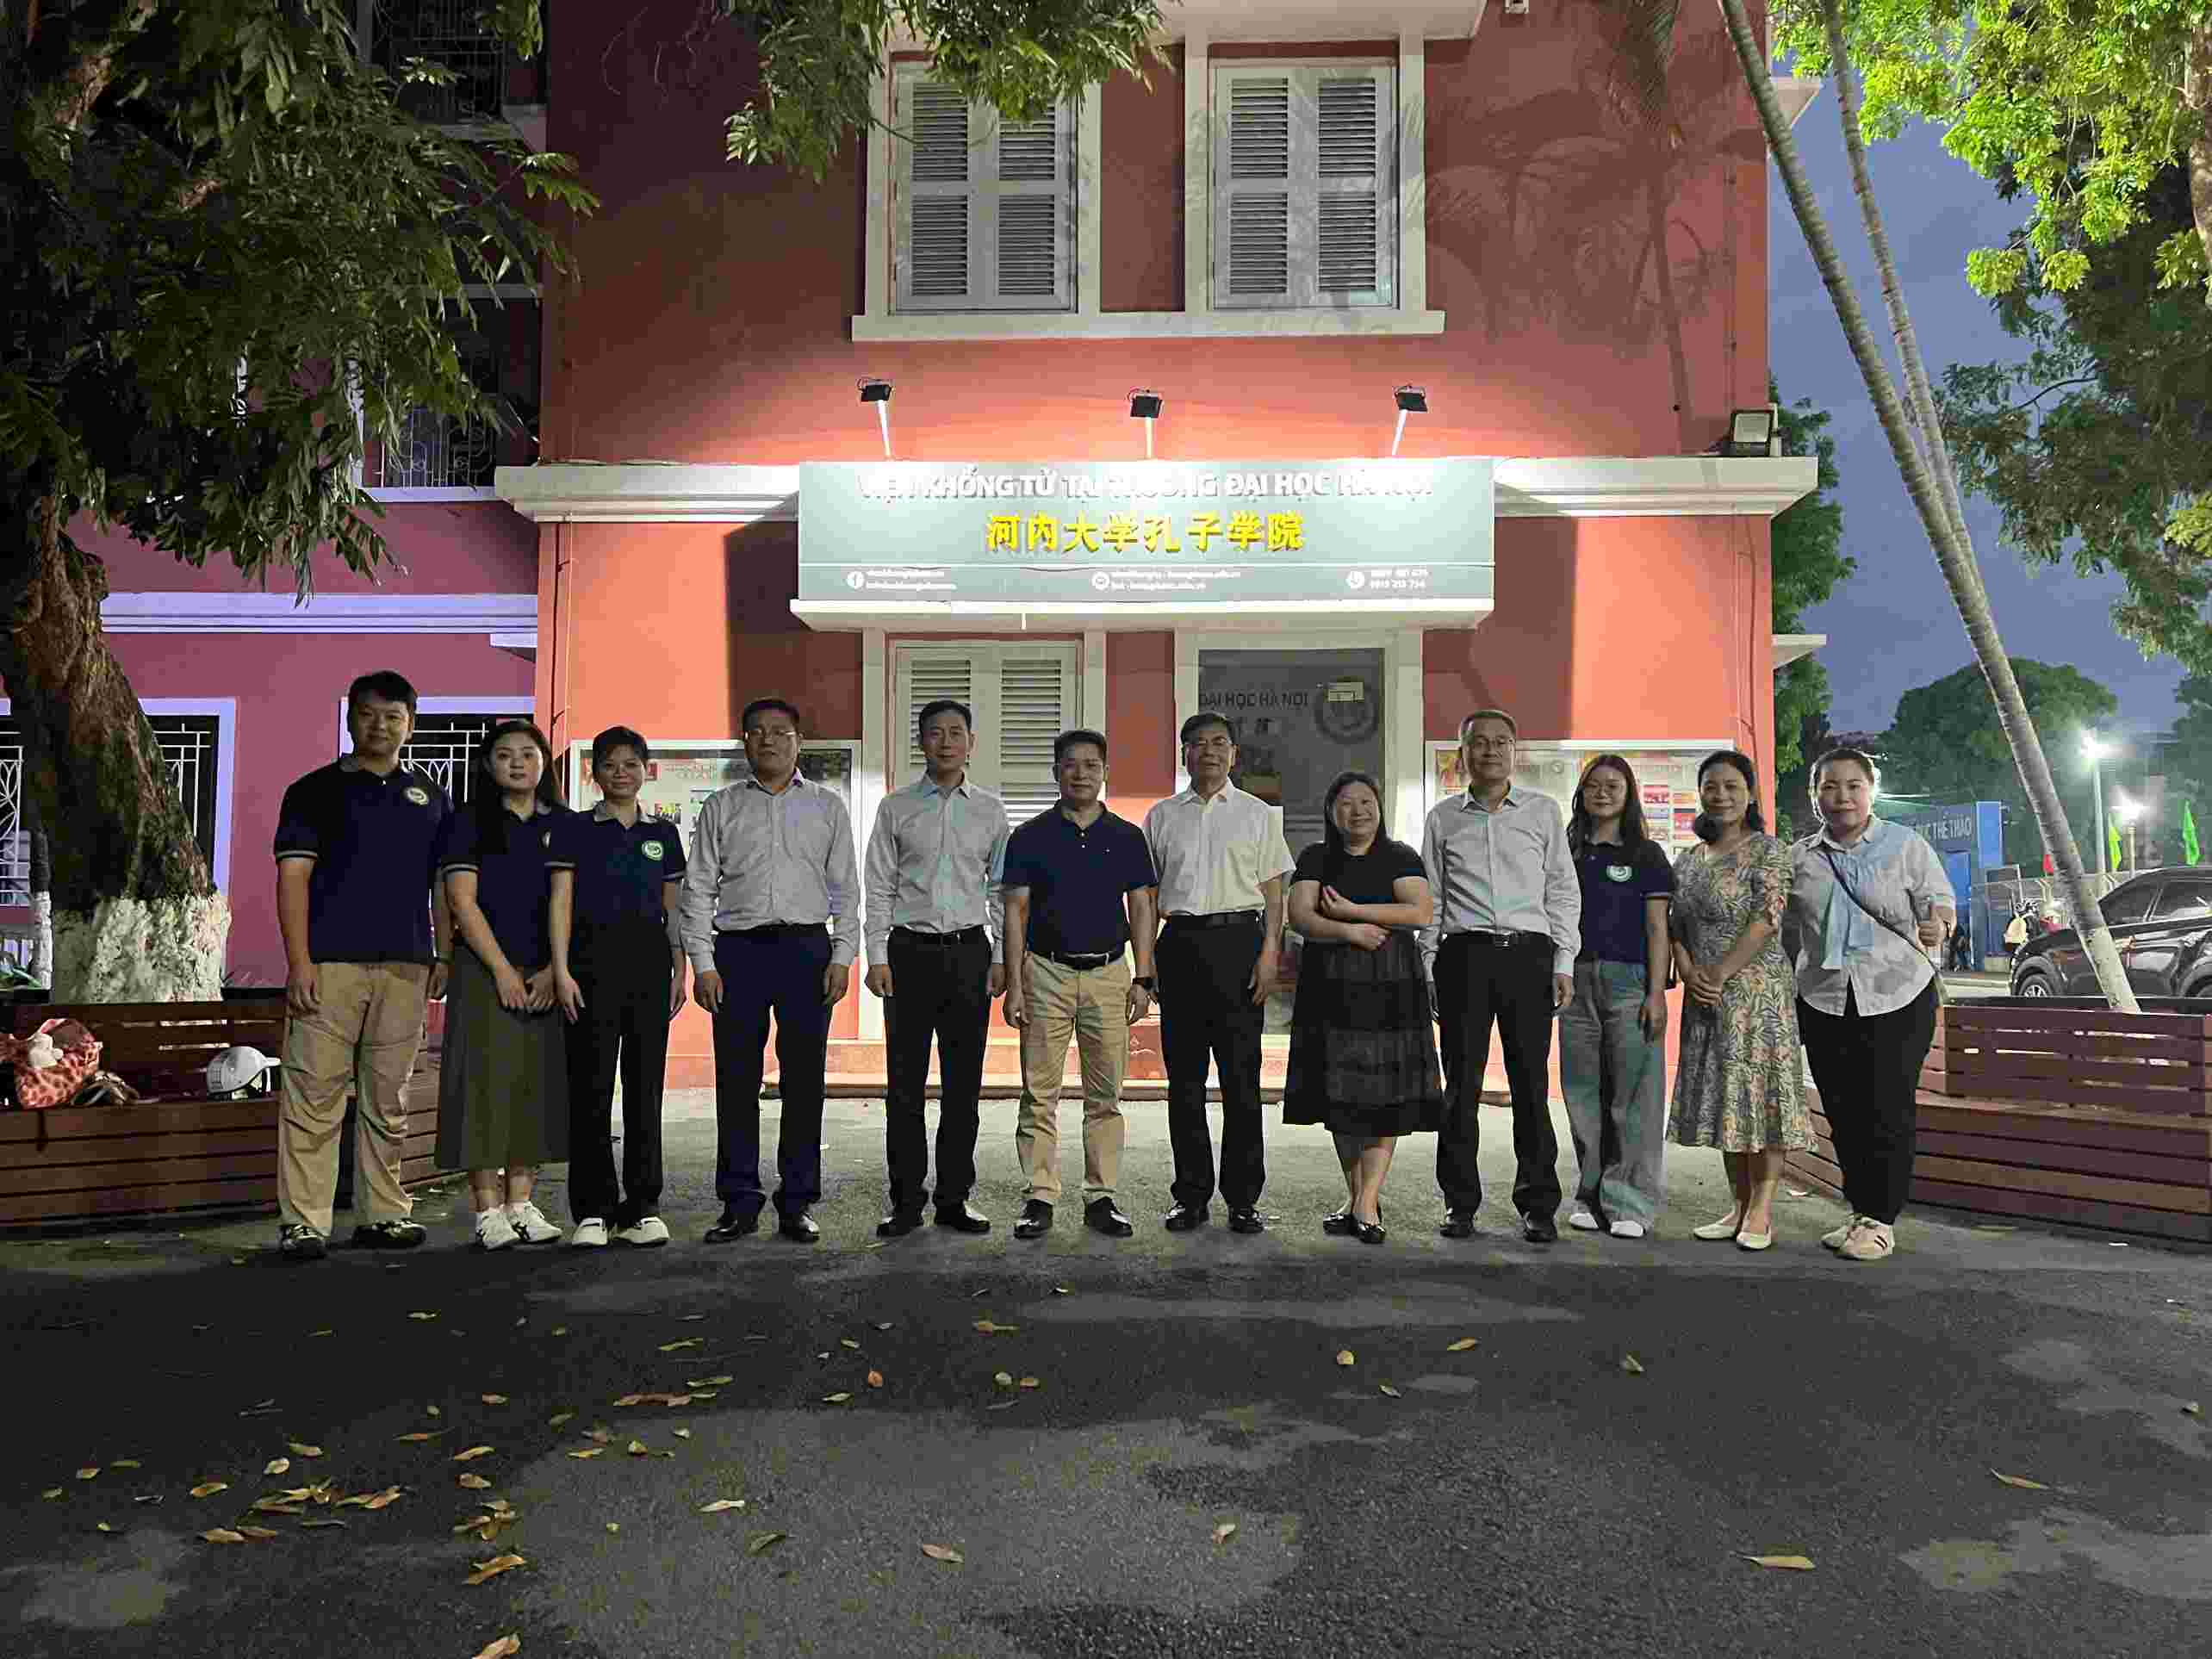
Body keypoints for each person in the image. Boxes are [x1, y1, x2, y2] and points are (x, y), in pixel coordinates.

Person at [270, 670, 450, 1260]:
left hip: (406, 967)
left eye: (394, 716)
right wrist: (299, 962)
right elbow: (293, 878)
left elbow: (444, 886)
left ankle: (383, 1214)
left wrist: (444, 953)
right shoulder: (313, 791)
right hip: (330, 966)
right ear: (351, 720)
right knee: (313, 1096)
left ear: (410, 726)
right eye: (369, 714)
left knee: (388, 1100)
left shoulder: (431, 797)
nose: (381, 726)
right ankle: (304, 1223)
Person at [681, 698, 859, 1245]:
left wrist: (842, 955)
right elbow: (698, 890)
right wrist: (703, 963)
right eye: (757, 731)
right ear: (744, 742)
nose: (769, 740)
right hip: (738, 953)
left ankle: (797, 1202)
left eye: (780, 731)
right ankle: (738, 1202)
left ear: (798, 741)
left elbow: (846, 890)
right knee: (736, 1080)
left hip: (807, 951)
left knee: (804, 1081)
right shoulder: (722, 807)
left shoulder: (827, 807)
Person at [1783, 746, 1954, 1264]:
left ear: (1871, 790)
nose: (1842, 797)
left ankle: (1881, 1219)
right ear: (1815, 795)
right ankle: (1861, 1210)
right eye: (1829, 786)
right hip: (1825, 998)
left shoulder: (1906, 845)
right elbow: (1783, 925)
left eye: (1853, 786)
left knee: (1888, 1107)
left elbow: (1941, 902)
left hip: (1898, 994)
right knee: (1843, 1109)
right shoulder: (1800, 858)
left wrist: (1939, 925)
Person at [1420, 708, 1581, 1245]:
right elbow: (1433, 897)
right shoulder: (1443, 818)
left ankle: (1538, 1204)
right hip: (1463, 958)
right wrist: (1427, 965)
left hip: (1528, 957)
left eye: (1500, 742)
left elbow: (1562, 890)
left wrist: (1563, 962)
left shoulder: (1542, 812)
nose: (1489, 751)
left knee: (1530, 1086)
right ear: (1462, 753)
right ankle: (1459, 1202)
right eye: (1478, 743)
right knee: (1460, 1087)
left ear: (1515, 751)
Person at [1002, 730, 1159, 1240]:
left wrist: (1144, 977)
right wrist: (1015, 984)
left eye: (1092, 765)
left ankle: (1101, 1196)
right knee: (1038, 1092)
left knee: (1106, 1094)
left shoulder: (1127, 837)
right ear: (1056, 772)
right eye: (1070, 764)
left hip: (1109, 975)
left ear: (1105, 772)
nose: (1081, 773)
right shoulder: (1029, 836)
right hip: (1045, 973)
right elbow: (1015, 912)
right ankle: (1039, 1196)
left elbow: (1141, 908)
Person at [1143, 713, 1295, 1234]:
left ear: (1234, 754)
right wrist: (1146, 964)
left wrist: (1270, 954)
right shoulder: (1161, 816)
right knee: (1184, 1083)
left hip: (1240, 946)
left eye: (1219, 743)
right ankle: (1190, 1196)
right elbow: (1147, 897)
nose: (1208, 751)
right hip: (1180, 946)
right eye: (1197, 743)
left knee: (1241, 1081)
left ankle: (1243, 1198)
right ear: (1183, 753)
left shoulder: (1258, 814)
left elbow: (1274, 894)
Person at [863, 698, 1008, 1238]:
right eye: (934, 733)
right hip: (909, 954)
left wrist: (1000, 958)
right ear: (920, 742)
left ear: (971, 743)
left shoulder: (990, 811)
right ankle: (905, 1201)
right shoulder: (895, 808)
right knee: (903, 1086)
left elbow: (1000, 891)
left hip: (969, 954)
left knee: (963, 1086)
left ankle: (953, 1198)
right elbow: (879, 885)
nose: (945, 742)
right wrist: (877, 956)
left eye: (955, 732)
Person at [1282, 771, 1442, 1243]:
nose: (1358, 811)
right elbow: (1301, 915)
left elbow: (1420, 912)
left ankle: (1368, 1199)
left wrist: (1352, 910)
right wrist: (1349, 932)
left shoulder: (1400, 855)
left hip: (1391, 983)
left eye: (1367, 801)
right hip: (1330, 983)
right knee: (1341, 1093)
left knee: (1384, 1095)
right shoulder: (1315, 857)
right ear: (1332, 811)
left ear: (1379, 808)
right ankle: (1355, 1198)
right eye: (1347, 803)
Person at [434, 720, 574, 1251]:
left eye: (528, 754)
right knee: (482, 1087)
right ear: (488, 765)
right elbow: (461, 901)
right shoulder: (467, 821)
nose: (518, 763)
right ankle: (487, 1210)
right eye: (505, 755)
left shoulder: (563, 822)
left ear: (544, 763)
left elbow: (569, 901)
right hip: (483, 971)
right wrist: (501, 970)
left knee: (532, 1087)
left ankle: (521, 1203)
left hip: (544, 973)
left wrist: (553, 970)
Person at [549, 726, 688, 1250]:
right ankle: (592, 1210)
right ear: (595, 773)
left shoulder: (663, 835)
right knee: (590, 1090)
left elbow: (673, 909)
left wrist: (679, 968)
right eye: (610, 764)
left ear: (646, 771)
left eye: (631, 764)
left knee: (645, 1090)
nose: (621, 773)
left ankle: (643, 1207)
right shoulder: (575, 829)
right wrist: (560, 970)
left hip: (649, 972)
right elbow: (560, 902)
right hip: (588, 974)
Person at [1668, 749, 1810, 1252]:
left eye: (1731, 786)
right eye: (1711, 786)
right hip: (1705, 996)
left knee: (1761, 1099)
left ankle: (1762, 1210)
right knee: (1727, 1099)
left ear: (1750, 794)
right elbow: (1674, 925)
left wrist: (1722, 972)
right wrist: (1690, 974)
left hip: (1757, 995)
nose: (1721, 795)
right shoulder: (1688, 859)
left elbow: (1768, 919)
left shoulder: (1769, 851)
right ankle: (1737, 1204)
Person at [1558, 754, 1673, 1239]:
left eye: (1613, 786)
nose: (1602, 793)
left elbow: (1658, 928)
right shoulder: (1565, 852)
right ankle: (1589, 1196)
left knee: (1633, 1097)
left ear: (1629, 796)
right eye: (1593, 785)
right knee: (1584, 1094)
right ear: (1581, 794)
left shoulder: (1646, 855)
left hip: (1631, 983)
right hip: (1576, 980)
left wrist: (1656, 992)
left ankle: (1630, 1203)